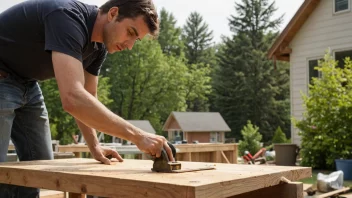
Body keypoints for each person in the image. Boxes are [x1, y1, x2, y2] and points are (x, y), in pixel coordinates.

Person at [0, 0, 174, 197]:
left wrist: (94, 146)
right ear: (113, 14)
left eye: (136, 40)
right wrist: (138, 136)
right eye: (131, 33)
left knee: (40, 167)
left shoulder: (98, 48)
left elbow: (88, 97)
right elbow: (73, 98)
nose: (130, 46)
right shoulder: (67, 18)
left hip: (27, 83)